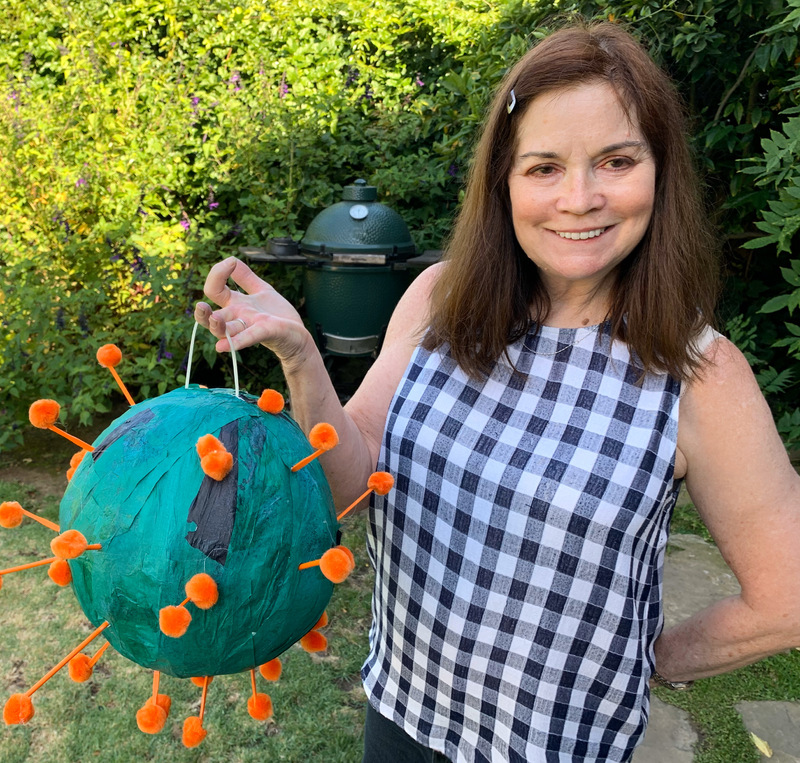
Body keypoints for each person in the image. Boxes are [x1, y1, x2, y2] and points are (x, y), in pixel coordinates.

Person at [194, 21, 800, 763]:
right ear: (503, 181)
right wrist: (298, 354)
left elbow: (787, 596)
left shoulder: (700, 376)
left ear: (661, 172)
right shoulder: (437, 302)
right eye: (544, 167)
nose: (579, 199)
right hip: (402, 718)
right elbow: (348, 482)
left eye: (616, 160)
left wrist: (655, 656)